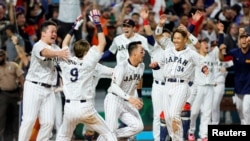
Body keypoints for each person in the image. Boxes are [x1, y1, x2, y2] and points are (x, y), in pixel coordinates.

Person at [55, 9, 117, 141]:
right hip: (85, 107)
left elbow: (64, 44)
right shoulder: (89, 62)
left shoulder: (66, 61)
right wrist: (97, 23)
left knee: (62, 137)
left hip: (69, 107)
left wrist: (73, 28)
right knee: (109, 134)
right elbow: (102, 43)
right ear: (86, 51)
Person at [149, 28, 205, 141]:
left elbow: (201, 61)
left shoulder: (190, 52)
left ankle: (180, 139)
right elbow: (160, 63)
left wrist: (204, 68)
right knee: (167, 116)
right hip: (167, 84)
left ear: (185, 39)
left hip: (182, 84)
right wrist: (156, 65)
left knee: (174, 115)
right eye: (174, 38)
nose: (176, 40)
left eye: (178, 38)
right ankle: (175, 138)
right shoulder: (168, 51)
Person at [18, 20, 70, 141]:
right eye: (52, 31)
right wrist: (59, 53)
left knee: (48, 123)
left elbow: (66, 60)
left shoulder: (56, 47)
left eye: (56, 32)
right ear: (43, 33)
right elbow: (46, 53)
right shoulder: (38, 45)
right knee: (29, 120)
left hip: (50, 89)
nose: (54, 34)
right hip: (34, 87)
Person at [100, 41, 145, 140]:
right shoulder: (121, 66)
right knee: (110, 129)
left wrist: (139, 97)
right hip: (114, 99)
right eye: (142, 51)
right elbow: (114, 87)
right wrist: (130, 98)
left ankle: (109, 135)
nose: (144, 53)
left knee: (138, 127)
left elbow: (138, 81)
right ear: (134, 53)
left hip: (127, 101)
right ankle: (109, 134)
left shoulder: (141, 66)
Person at [187, 38, 217, 141]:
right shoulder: (195, 56)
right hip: (198, 87)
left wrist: (214, 79)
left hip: (209, 87)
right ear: (199, 45)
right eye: (204, 43)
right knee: (194, 112)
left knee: (207, 113)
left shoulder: (212, 56)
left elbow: (217, 66)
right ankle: (191, 132)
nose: (206, 45)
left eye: (207, 43)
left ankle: (204, 135)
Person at [219, 29, 250, 125]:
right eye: (242, 38)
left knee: (246, 110)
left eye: (246, 38)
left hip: (249, 87)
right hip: (238, 86)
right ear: (239, 41)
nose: (244, 40)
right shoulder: (234, 52)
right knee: (240, 110)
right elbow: (222, 58)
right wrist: (221, 49)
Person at [0, 49, 24, 141]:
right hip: (3, 95)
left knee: (15, 118)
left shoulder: (13, 65)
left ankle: (18, 138)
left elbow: (21, 78)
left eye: (1, 56)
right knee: (3, 118)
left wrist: (23, 91)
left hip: (15, 94)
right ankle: (5, 138)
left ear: (5, 56)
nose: (0, 58)